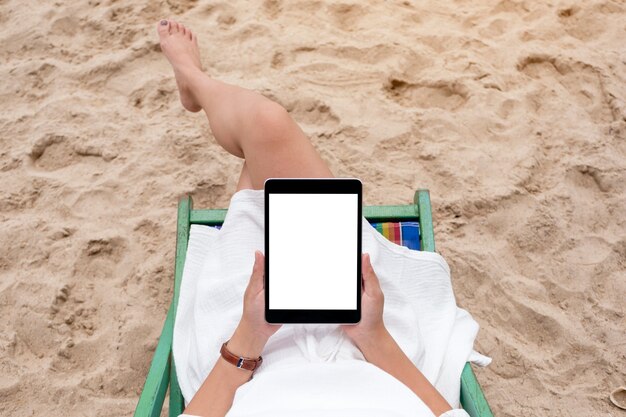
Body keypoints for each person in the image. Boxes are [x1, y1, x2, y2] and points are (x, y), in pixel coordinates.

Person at [156, 19, 473, 417]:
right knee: (266, 133)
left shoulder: (248, 340)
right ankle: (197, 84)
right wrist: (372, 337)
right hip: (369, 347)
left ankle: (193, 80)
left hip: (249, 355)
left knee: (265, 133)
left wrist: (249, 339)